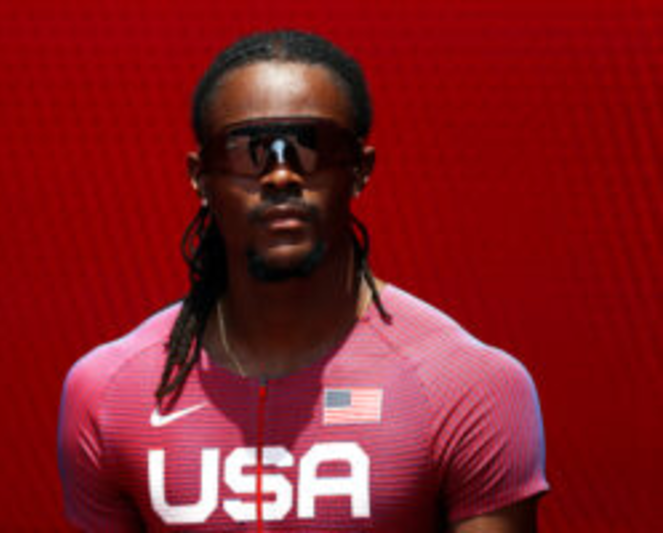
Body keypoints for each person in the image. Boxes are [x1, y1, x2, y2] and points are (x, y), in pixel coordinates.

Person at [57, 30, 549, 532]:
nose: (280, 175)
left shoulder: (469, 388)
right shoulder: (110, 395)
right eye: (248, 150)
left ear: (360, 169)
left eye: (311, 145)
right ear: (200, 177)